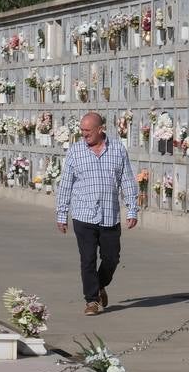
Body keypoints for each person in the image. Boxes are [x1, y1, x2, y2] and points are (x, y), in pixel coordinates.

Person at [55, 111, 139, 315]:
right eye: (82, 130)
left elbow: (127, 180)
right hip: (84, 214)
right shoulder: (75, 151)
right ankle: (91, 300)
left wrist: (132, 209)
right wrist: (62, 213)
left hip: (110, 214)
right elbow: (66, 184)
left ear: (100, 129)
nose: (83, 134)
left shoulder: (118, 149)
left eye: (87, 131)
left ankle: (100, 285)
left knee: (112, 258)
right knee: (88, 259)